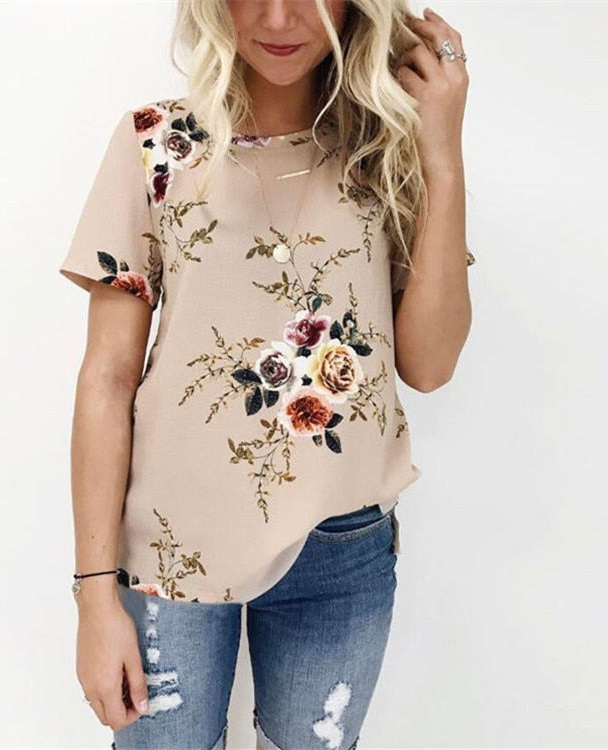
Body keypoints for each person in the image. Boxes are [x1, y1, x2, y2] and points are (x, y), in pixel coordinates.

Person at [58, 1, 472, 748]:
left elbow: (431, 365)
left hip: (341, 546)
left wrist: (441, 152)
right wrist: (94, 598)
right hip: (170, 549)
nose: (280, 18)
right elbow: (107, 380)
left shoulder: (387, 152)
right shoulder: (157, 144)